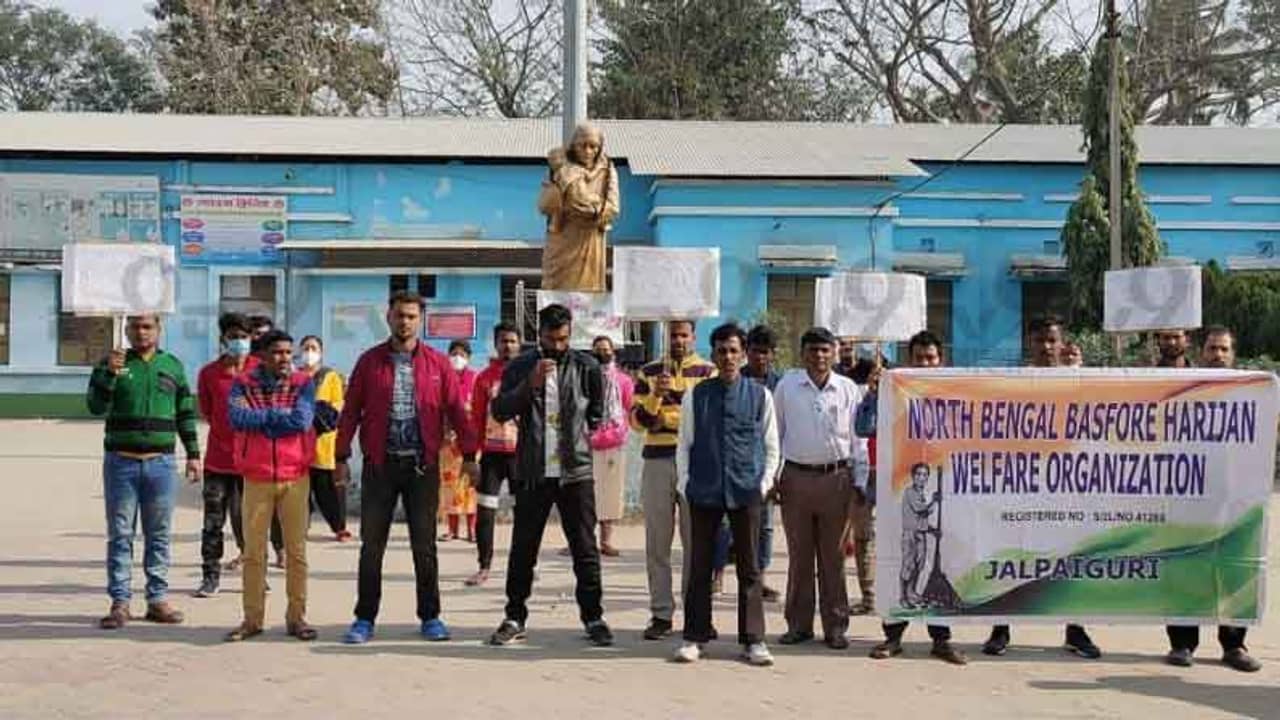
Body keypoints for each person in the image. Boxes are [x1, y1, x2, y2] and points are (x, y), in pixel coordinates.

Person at [337, 291, 478, 645]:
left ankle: (430, 616)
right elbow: (351, 411)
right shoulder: (369, 362)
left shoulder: (437, 364)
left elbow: (457, 412)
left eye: (412, 316)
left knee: (424, 545)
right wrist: (340, 458)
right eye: (400, 315)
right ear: (388, 317)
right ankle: (364, 618)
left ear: (420, 321)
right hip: (380, 466)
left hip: (422, 467)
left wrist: (471, 455)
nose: (405, 322)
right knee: (372, 546)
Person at [486, 304, 614, 647]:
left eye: (563, 338)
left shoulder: (587, 366)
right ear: (538, 335)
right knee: (523, 548)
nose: (557, 345)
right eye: (550, 338)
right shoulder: (520, 366)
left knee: (585, 547)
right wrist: (531, 384)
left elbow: (597, 413)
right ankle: (514, 616)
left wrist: (580, 441)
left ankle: (594, 617)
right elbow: (499, 410)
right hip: (533, 471)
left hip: (577, 471)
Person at [983, 314, 1100, 659]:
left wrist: (1077, 374)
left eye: (1053, 340)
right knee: (1013, 554)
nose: (1047, 347)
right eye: (1040, 341)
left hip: (1068, 487)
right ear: (1029, 345)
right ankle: (1000, 627)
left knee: (1070, 558)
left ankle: (1075, 630)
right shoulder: (1014, 382)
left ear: (1063, 343)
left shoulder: (1079, 380)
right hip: (1021, 486)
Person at [672, 323, 781, 666]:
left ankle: (753, 640)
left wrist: (763, 484)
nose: (728, 357)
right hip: (703, 490)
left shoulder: (760, 395)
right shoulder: (697, 395)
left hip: (746, 489)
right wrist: (685, 483)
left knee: (750, 569)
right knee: (700, 567)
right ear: (714, 354)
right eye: (722, 350)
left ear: (744, 352)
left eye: (734, 350)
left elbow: (772, 446)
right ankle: (695, 636)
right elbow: (684, 444)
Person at [87, 314, 201, 629]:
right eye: (135, 326)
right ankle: (120, 602)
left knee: (159, 534)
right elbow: (94, 406)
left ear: (159, 330)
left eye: (147, 326)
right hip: (121, 463)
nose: (141, 332)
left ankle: (157, 600)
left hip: (161, 465)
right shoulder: (113, 363)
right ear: (126, 330)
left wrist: (193, 454)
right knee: (121, 534)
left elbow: (185, 413)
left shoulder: (172, 366)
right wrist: (109, 375)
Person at [865, 330, 966, 664]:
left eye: (931, 358)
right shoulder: (893, 391)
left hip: (946, 492)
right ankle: (892, 636)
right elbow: (864, 427)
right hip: (900, 493)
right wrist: (874, 393)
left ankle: (941, 639)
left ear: (941, 361)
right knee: (901, 561)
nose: (925, 364)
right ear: (910, 360)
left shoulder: (955, 394)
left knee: (941, 560)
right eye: (919, 358)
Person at [1164, 326, 1260, 672]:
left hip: (1235, 501)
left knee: (1232, 570)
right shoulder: (1187, 387)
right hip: (1189, 496)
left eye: (1223, 349)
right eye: (1211, 348)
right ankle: (1182, 644)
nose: (1217, 354)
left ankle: (1234, 645)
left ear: (1233, 353)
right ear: (1200, 351)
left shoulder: (1252, 392)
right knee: (1187, 569)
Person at [772, 327, 864, 649]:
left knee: (833, 558)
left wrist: (860, 482)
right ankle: (798, 625)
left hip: (837, 479)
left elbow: (859, 439)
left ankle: (836, 626)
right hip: (795, 478)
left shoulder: (848, 389)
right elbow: (775, 434)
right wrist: (773, 478)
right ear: (803, 354)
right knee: (799, 557)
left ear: (835, 353)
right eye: (813, 350)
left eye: (826, 350)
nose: (820, 356)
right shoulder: (787, 387)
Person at [224, 330, 317, 642]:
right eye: (278, 352)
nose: (285, 359)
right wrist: (279, 415)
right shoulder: (242, 383)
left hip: (295, 477)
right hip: (256, 478)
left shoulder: (303, 383)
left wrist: (262, 418)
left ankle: (297, 617)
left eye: (289, 353)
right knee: (254, 552)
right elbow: (237, 418)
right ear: (261, 355)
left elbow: (302, 422)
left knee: (296, 552)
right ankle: (252, 619)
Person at [631, 320, 716, 640]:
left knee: (697, 544)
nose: (678, 340)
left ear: (694, 337)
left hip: (695, 462)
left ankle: (697, 615)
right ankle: (661, 614)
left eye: (684, 335)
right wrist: (656, 395)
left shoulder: (708, 372)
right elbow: (639, 423)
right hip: (657, 461)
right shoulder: (650, 372)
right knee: (657, 542)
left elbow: (705, 420)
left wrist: (672, 411)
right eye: (674, 334)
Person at [466, 323, 523, 587]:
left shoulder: (529, 375)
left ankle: (524, 566)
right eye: (503, 341)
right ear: (496, 344)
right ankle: (484, 566)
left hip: (521, 456)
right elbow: (476, 417)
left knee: (524, 514)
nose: (507, 346)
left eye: (512, 341)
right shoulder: (485, 378)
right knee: (485, 512)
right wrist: (471, 456)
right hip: (490, 456)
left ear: (519, 344)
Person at [537, 123, 620, 292]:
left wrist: (592, 210)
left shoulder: (607, 172)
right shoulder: (560, 170)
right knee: (557, 290)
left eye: (593, 146)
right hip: (563, 238)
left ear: (600, 147)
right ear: (574, 146)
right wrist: (563, 182)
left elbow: (613, 207)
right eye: (583, 145)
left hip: (591, 240)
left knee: (587, 296)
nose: (588, 151)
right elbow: (544, 205)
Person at [741, 324, 783, 602]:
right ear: (747, 352)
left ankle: (760, 578)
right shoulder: (734, 378)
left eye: (765, 353)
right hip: (735, 461)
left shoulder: (780, 385)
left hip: (766, 463)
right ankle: (717, 577)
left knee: (765, 526)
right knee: (724, 524)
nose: (759, 358)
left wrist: (776, 472)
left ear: (772, 355)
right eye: (755, 352)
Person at [298, 335, 350, 542]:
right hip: (297, 443)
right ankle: (301, 526)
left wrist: (318, 420)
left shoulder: (330, 376)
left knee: (326, 489)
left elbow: (337, 404)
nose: (309, 352)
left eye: (313, 348)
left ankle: (338, 527)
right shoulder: (295, 376)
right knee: (300, 491)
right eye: (306, 348)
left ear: (320, 352)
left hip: (322, 441)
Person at [246, 313, 285, 567]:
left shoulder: (284, 367)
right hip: (248, 450)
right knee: (248, 509)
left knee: (277, 511)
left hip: (280, 451)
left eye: (264, 333)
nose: (259, 338)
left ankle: (281, 550)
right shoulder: (245, 368)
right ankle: (249, 553)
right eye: (255, 333)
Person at [590, 335, 634, 557]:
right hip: (588, 442)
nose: (602, 353)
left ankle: (606, 541)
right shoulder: (585, 377)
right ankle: (584, 540)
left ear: (613, 352)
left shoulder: (624, 381)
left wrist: (620, 430)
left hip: (615, 441)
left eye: (606, 350)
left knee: (610, 493)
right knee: (586, 495)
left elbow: (628, 408)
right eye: (598, 350)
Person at [439, 340, 479, 543]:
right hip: (447, 442)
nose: (457, 357)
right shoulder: (443, 378)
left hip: (471, 442)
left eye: (462, 354)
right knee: (450, 485)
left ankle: (472, 530)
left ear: (468, 357)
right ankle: (452, 529)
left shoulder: (475, 379)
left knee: (470, 486)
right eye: (453, 353)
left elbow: (479, 408)